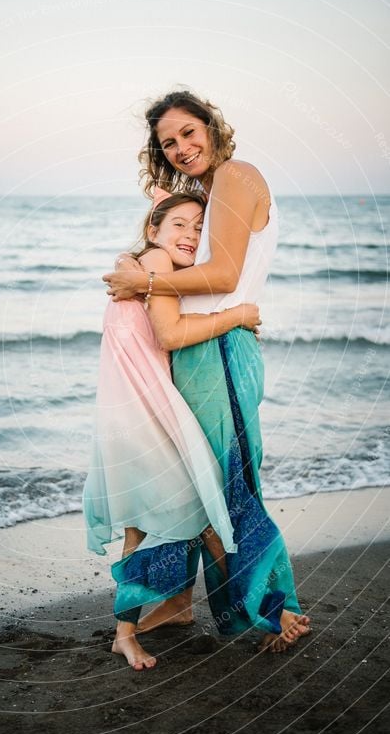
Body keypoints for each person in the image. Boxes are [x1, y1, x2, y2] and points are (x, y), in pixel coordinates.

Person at [102, 89, 310, 653]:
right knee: (199, 481)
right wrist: (137, 261)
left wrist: (144, 283)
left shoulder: (238, 175)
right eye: (168, 142)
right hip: (199, 350)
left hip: (218, 352)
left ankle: (276, 608)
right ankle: (181, 605)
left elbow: (222, 273)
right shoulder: (206, 195)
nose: (180, 147)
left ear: (213, 127)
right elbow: (165, 240)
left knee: (234, 480)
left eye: (189, 133)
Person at [83, 189, 262, 670]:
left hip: (130, 411)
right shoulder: (154, 265)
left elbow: (177, 311)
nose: (192, 234)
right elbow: (170, 332)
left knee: (142, 524)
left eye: (200, 227)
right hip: (143, 412)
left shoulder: (150, 273)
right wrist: (238, 316)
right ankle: (263, 613)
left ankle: (144, 624)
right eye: (179, 223)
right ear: (153, 231)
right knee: (203, 512)